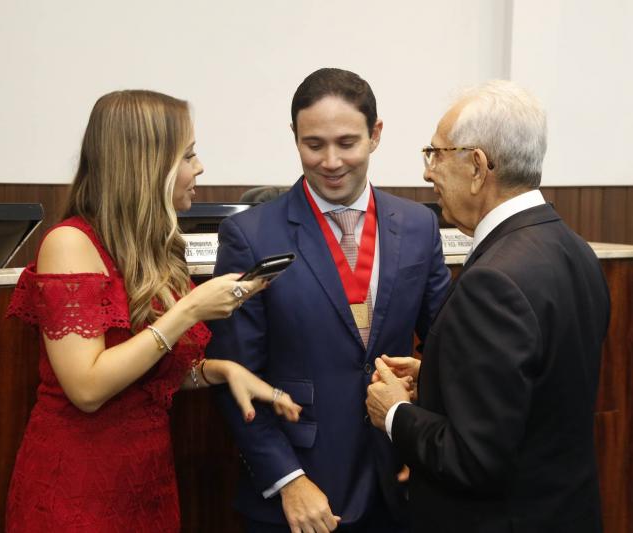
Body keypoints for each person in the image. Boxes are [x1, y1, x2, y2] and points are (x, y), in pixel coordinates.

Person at [4, 90, 302, 532]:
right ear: (147, 164)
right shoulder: (69, 243)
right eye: (189, 155)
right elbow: (87, 388)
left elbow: (143, 375)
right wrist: (189, 310)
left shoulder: (153, 249)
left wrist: (219, 371)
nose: (200, 167)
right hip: (78, 490)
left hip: (147, 484)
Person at [207, 68, 451, 533]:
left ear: (375, 134)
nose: (331, 161)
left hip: (397, 481)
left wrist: (425, 439)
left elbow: (448, 348)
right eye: (314, 145)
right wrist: (287, 479)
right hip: (301, 493)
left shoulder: (419, 225)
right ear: (294, 136)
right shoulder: (251, 235)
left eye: (347, 143)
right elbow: (234, 374)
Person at [366, 80, 611, 533]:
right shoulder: (573, 248)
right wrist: (437, 376)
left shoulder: (494, 281)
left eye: (436, 154)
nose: (428, 173)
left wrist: (395, 414)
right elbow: (537, 389)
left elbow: (474, 459)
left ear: (478, 167)